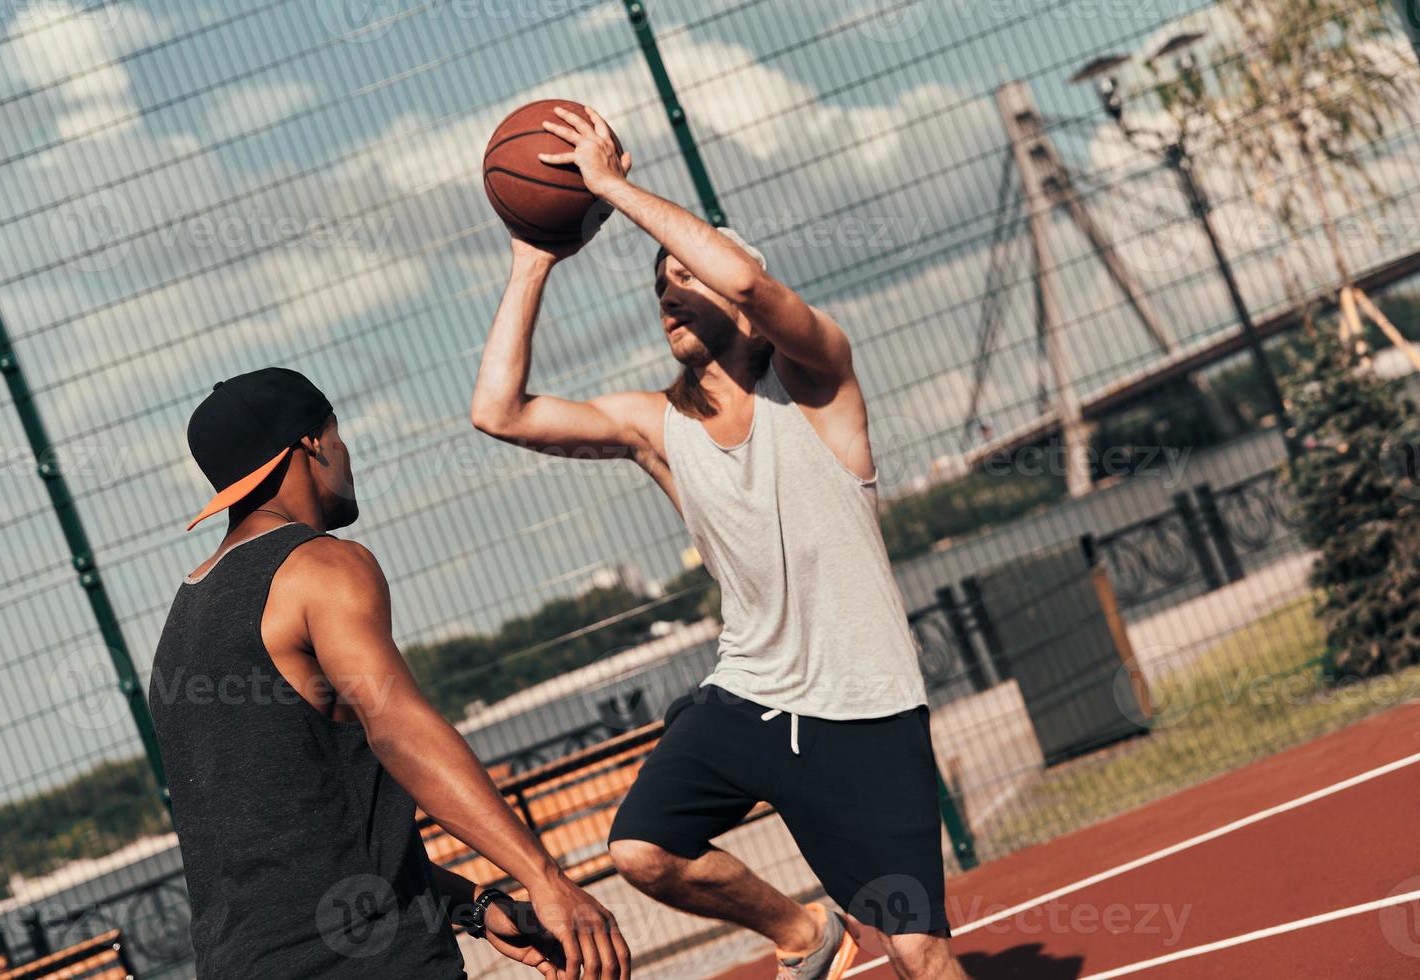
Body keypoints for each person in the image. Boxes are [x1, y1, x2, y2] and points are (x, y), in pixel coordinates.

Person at [472, 106, 969, 980]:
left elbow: (740, 279)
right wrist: (530, 255)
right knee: (642, 852)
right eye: (659, 285)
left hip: (865, 707)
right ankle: (805, 932)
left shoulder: (820, 385)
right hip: (748, 694)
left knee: (922, 957)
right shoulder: (655, 426)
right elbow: (498, 411)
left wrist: (613, 188)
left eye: (684, 277)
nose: (670, 291)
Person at [150, 368, 631, 980]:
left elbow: (297, 845)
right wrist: (544, 877)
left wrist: (475, 906)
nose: (346, 454)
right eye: (338, 433)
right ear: (312, 445)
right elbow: (397, 729)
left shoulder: (183, 621)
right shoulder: (321, 566)